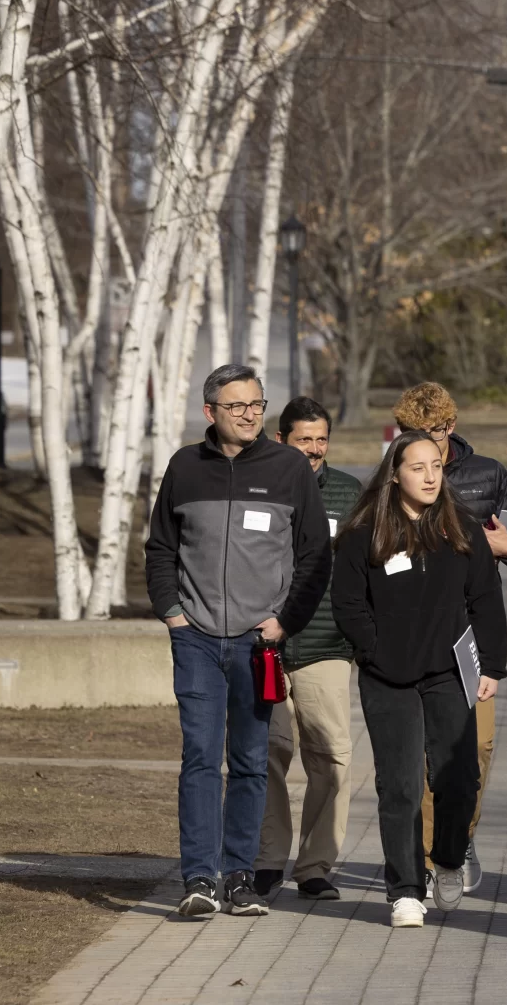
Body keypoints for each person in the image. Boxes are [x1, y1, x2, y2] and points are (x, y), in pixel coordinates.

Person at [144, 364, 332, 919]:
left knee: (251, 762)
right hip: (196, 640)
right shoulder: (184, 467)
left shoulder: (289, 467)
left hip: (258, 643)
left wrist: (283, 622)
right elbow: (160, 549)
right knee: (201, 758)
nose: (250, 414)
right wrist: (173, 615)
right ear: (210, 413)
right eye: (237, 406)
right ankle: (199, 879)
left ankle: (241, 878)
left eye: (257, 404)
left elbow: (315, 556)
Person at [330, 429, 507, 928]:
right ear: (395, 474)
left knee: (458, 779)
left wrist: (492, 665)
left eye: (436, 466)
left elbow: (485, 600)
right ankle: (405, 890)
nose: (430, 476)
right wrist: (374, 649)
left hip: (449, 673)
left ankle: (448, 860)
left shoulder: (463, 529)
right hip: (388, 678)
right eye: (417, 467)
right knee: (401, 784)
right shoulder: (364, 533)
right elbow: (347, 603)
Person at [394, 381, 507, 891]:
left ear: (450, 428)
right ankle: (430, 862)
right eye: (410, 433)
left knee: (476, 749)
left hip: (471, 635)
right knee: (430, 754)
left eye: (430, 432)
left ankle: (460, 833)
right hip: (416, 632)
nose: (421, 443)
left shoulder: (487, 473)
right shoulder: (395, 473)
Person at [257, 397, 363, 901]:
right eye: (305, 439)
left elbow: (364, 568)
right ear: (282, 440)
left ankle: (316, 865)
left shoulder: (347, 493)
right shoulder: (256, 487)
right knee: (267, 753)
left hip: (326, 645)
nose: (315, 449)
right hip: (263, 646)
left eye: (322, 439)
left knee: (332, 757)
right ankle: (266, 860)